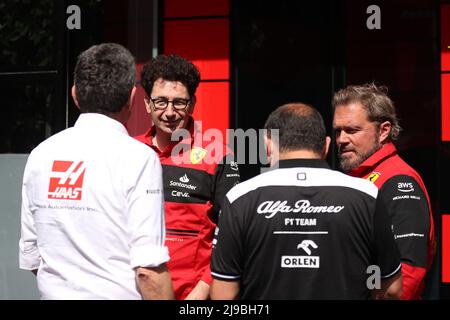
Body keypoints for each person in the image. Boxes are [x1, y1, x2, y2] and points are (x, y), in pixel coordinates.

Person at [19, 43, 173, 300]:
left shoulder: (41, 155)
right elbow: (148, 270)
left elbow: (32, 255)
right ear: (132, 98)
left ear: (75, 95)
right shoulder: (139, 158)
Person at [210, 103, 402, 299]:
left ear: (267, 145)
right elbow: (392, 289)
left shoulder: (239, 197)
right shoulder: (367, 195)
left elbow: (224, 294)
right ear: (326, 146)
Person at [135, 54, 240, 300]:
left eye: (179, 103)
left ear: (192, 103)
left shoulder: (219, 156)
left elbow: (232, 235)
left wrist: (202, 290)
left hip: (193, 294)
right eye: (160, 102)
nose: (170, 112)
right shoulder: (129, 152)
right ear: (147, 104)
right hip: (132, 291)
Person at [332, 83, 435, 300]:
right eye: (338, 131)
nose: (341, 139)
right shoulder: (354, 177)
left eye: (352, 130)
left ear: (383, 131)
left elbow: (408, 275)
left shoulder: (399, 181)